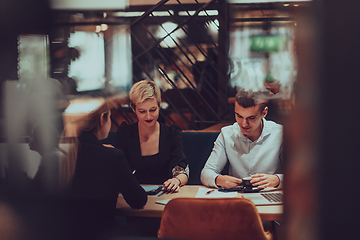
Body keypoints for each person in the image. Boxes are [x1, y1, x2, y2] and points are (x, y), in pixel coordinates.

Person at [60, 98, 147, 240]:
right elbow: (138, 200)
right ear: (102, 119)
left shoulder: (63, 155)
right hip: (103, 235)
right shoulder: (112, 157)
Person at [201, 88, 283, 190]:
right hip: (239, 197)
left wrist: (277, 179)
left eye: (251, 118)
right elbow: (206, 172)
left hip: (269, 194)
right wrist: (219, 179)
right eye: (239, 116)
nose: (244, 123)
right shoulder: (227, 134)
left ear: (264, 113)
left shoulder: (280, 134)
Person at [115, 80, 189, 193]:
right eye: (142, 111)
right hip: (131, 196)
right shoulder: (125, 133)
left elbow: (181, 170)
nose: (148, 116)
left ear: (159, 105)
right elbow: (118, 171)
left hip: (163, 195)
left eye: (153, 110)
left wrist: (176, 180)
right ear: (133, 109)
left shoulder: (171, 133)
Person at [28, 122, 66, 195]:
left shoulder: (49, 157)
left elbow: (35, 184)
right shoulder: (55, 154)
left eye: (32, 135)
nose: (29, 139)